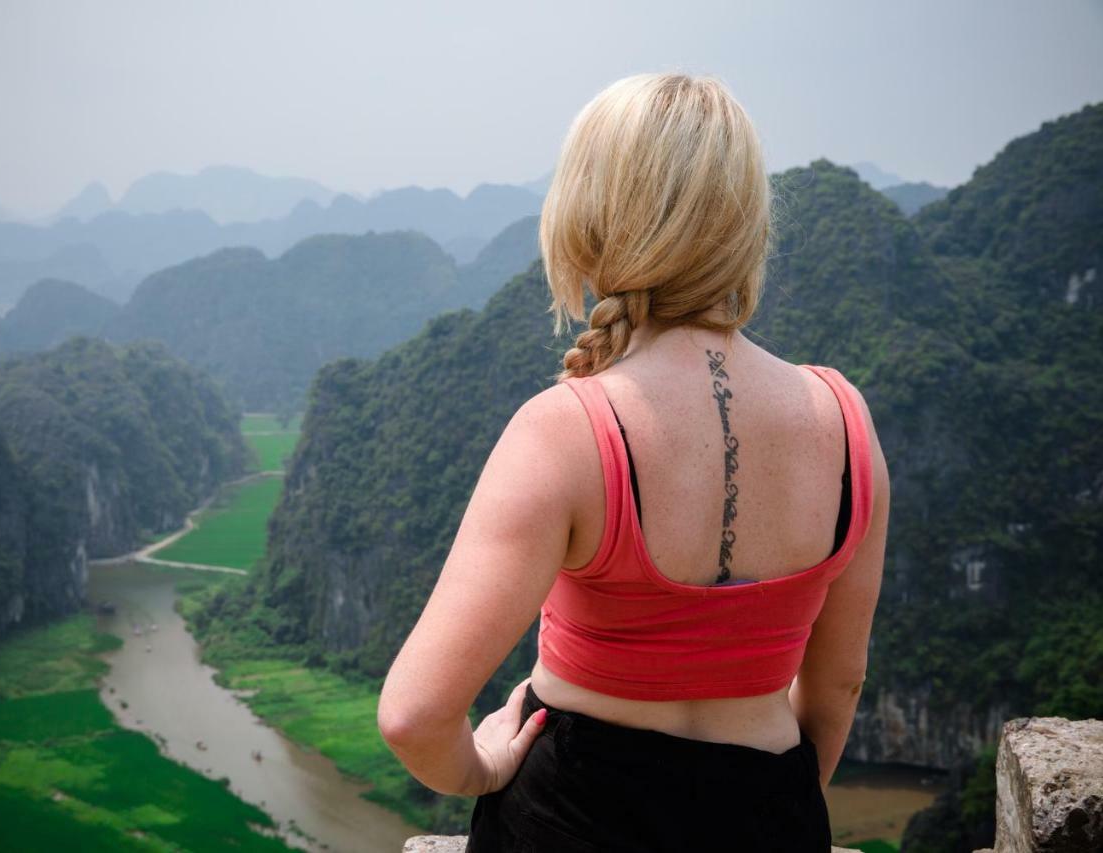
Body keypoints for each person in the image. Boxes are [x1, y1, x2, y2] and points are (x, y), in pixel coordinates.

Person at [377, 72, 890, 852]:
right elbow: (838, 683)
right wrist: (774, 813)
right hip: (769, 811)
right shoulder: (846, 424)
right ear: (747, 222)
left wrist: (480, 768)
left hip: (569, 819)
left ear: (586, 215)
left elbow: (414, 715)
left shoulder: (566, 429)